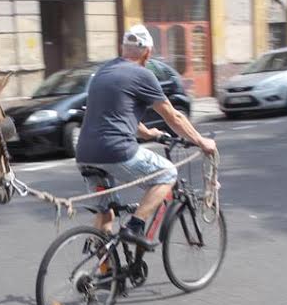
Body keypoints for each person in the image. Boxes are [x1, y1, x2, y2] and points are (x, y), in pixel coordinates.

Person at [75, 24, 217, 250]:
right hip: (116, 151)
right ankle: (135, 227)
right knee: (167, 173)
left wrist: (149, 133)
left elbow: (119, 114)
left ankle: (102, 266)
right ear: (148, 52)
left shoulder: (103, 72)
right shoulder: (142, 75)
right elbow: (173, 116)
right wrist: (201, 142)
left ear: (122, 48)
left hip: (84, 154)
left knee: (106, 212)